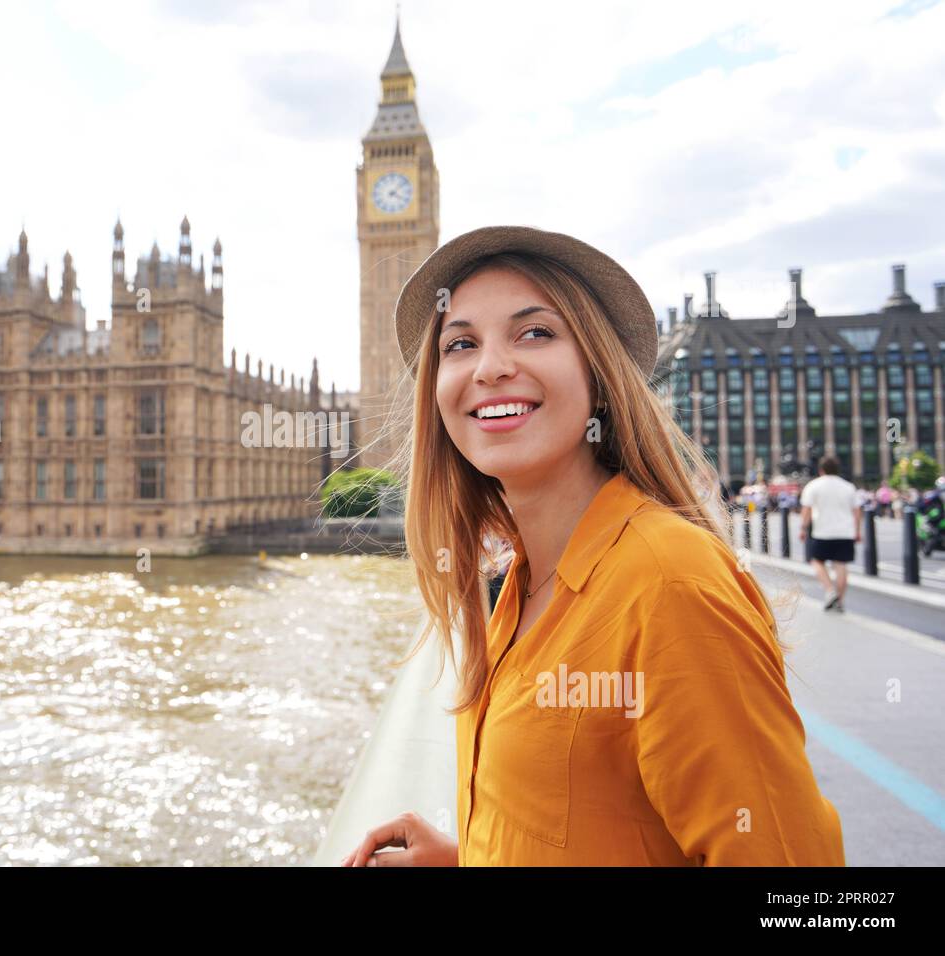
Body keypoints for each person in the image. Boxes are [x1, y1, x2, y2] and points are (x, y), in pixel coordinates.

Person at [340, 225, 843, 867]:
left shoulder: (667, 582)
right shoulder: (519, 586)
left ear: (599, 376)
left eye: (535, 332)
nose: (491, 365)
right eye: (460, 343)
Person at [799, 457, 861, 612]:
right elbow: (857, 511)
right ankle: (839, 601)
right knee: (841, 565)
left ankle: (829, 590)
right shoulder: (848, 487)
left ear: (821, 470)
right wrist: (857, 531)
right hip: (845, 532)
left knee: (816, 561)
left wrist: (802, 528)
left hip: (822, 532)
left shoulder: (814, 486)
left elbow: (806, 510)